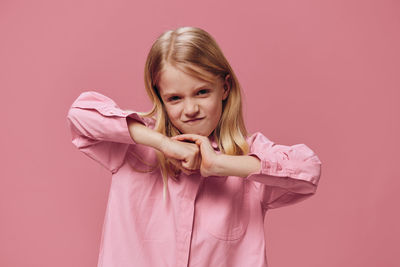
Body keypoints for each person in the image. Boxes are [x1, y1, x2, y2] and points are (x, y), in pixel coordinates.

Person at [66, 26, 322, 267]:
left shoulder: (246, 159)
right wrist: (163, 143)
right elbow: (80, 114)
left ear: (225, 87)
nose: (190, 110)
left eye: (202, 92)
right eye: (175, 98)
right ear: (160, 98)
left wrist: (221, 164)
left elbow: (308, 169)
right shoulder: (135, 148)